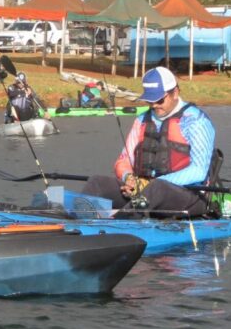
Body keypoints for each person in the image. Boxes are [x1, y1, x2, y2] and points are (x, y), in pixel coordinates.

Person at [82, 66, 217, 217]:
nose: (154, 105)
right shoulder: (141, 120)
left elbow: (198, 171)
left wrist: (149, 185)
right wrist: (129, 178)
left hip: (190, 197)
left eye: (159, 100)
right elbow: (124, 160)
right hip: (145, 193)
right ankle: (76, 220)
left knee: (157, 188)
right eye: (149, 100)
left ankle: (119, 223)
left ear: (175, 93)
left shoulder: (195, 121)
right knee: (96, 183)